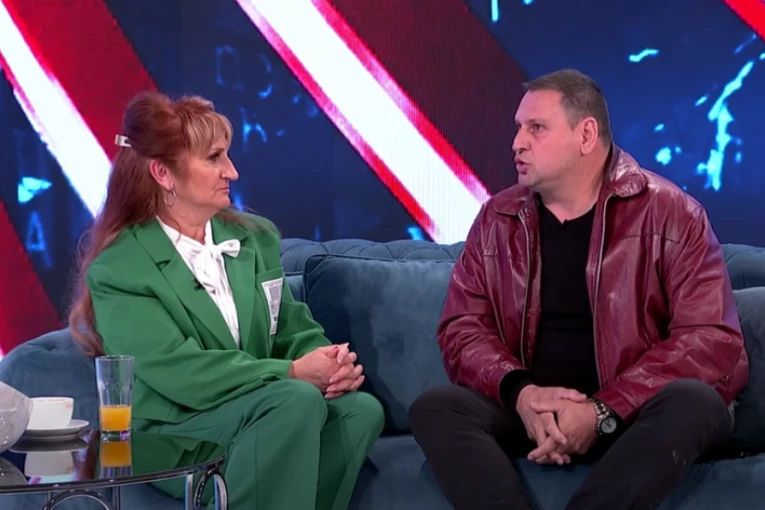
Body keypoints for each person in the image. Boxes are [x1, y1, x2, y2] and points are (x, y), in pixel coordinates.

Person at [408, 69, 749, 510]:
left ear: (586, 134)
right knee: (437, 407)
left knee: (695, 402)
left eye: (536, 128)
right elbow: (462, 327)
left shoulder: (671, 213)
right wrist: (523, 394)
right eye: (518, 128)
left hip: (633, 416)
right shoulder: (497, 218)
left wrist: (601, 411)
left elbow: (709, 338)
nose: (517, 143)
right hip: (535, 414)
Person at [68, 91, 384, 510]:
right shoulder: (121, 267)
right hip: (173, 430)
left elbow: (291, 328)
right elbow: (176, 370)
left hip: (259, 409)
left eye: (227, 156)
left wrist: (329, 363)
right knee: (294, 401)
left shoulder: (255, 238)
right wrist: (291, 372)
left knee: (361, 411)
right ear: (164, 173)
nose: (231, 171)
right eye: (214, 158)